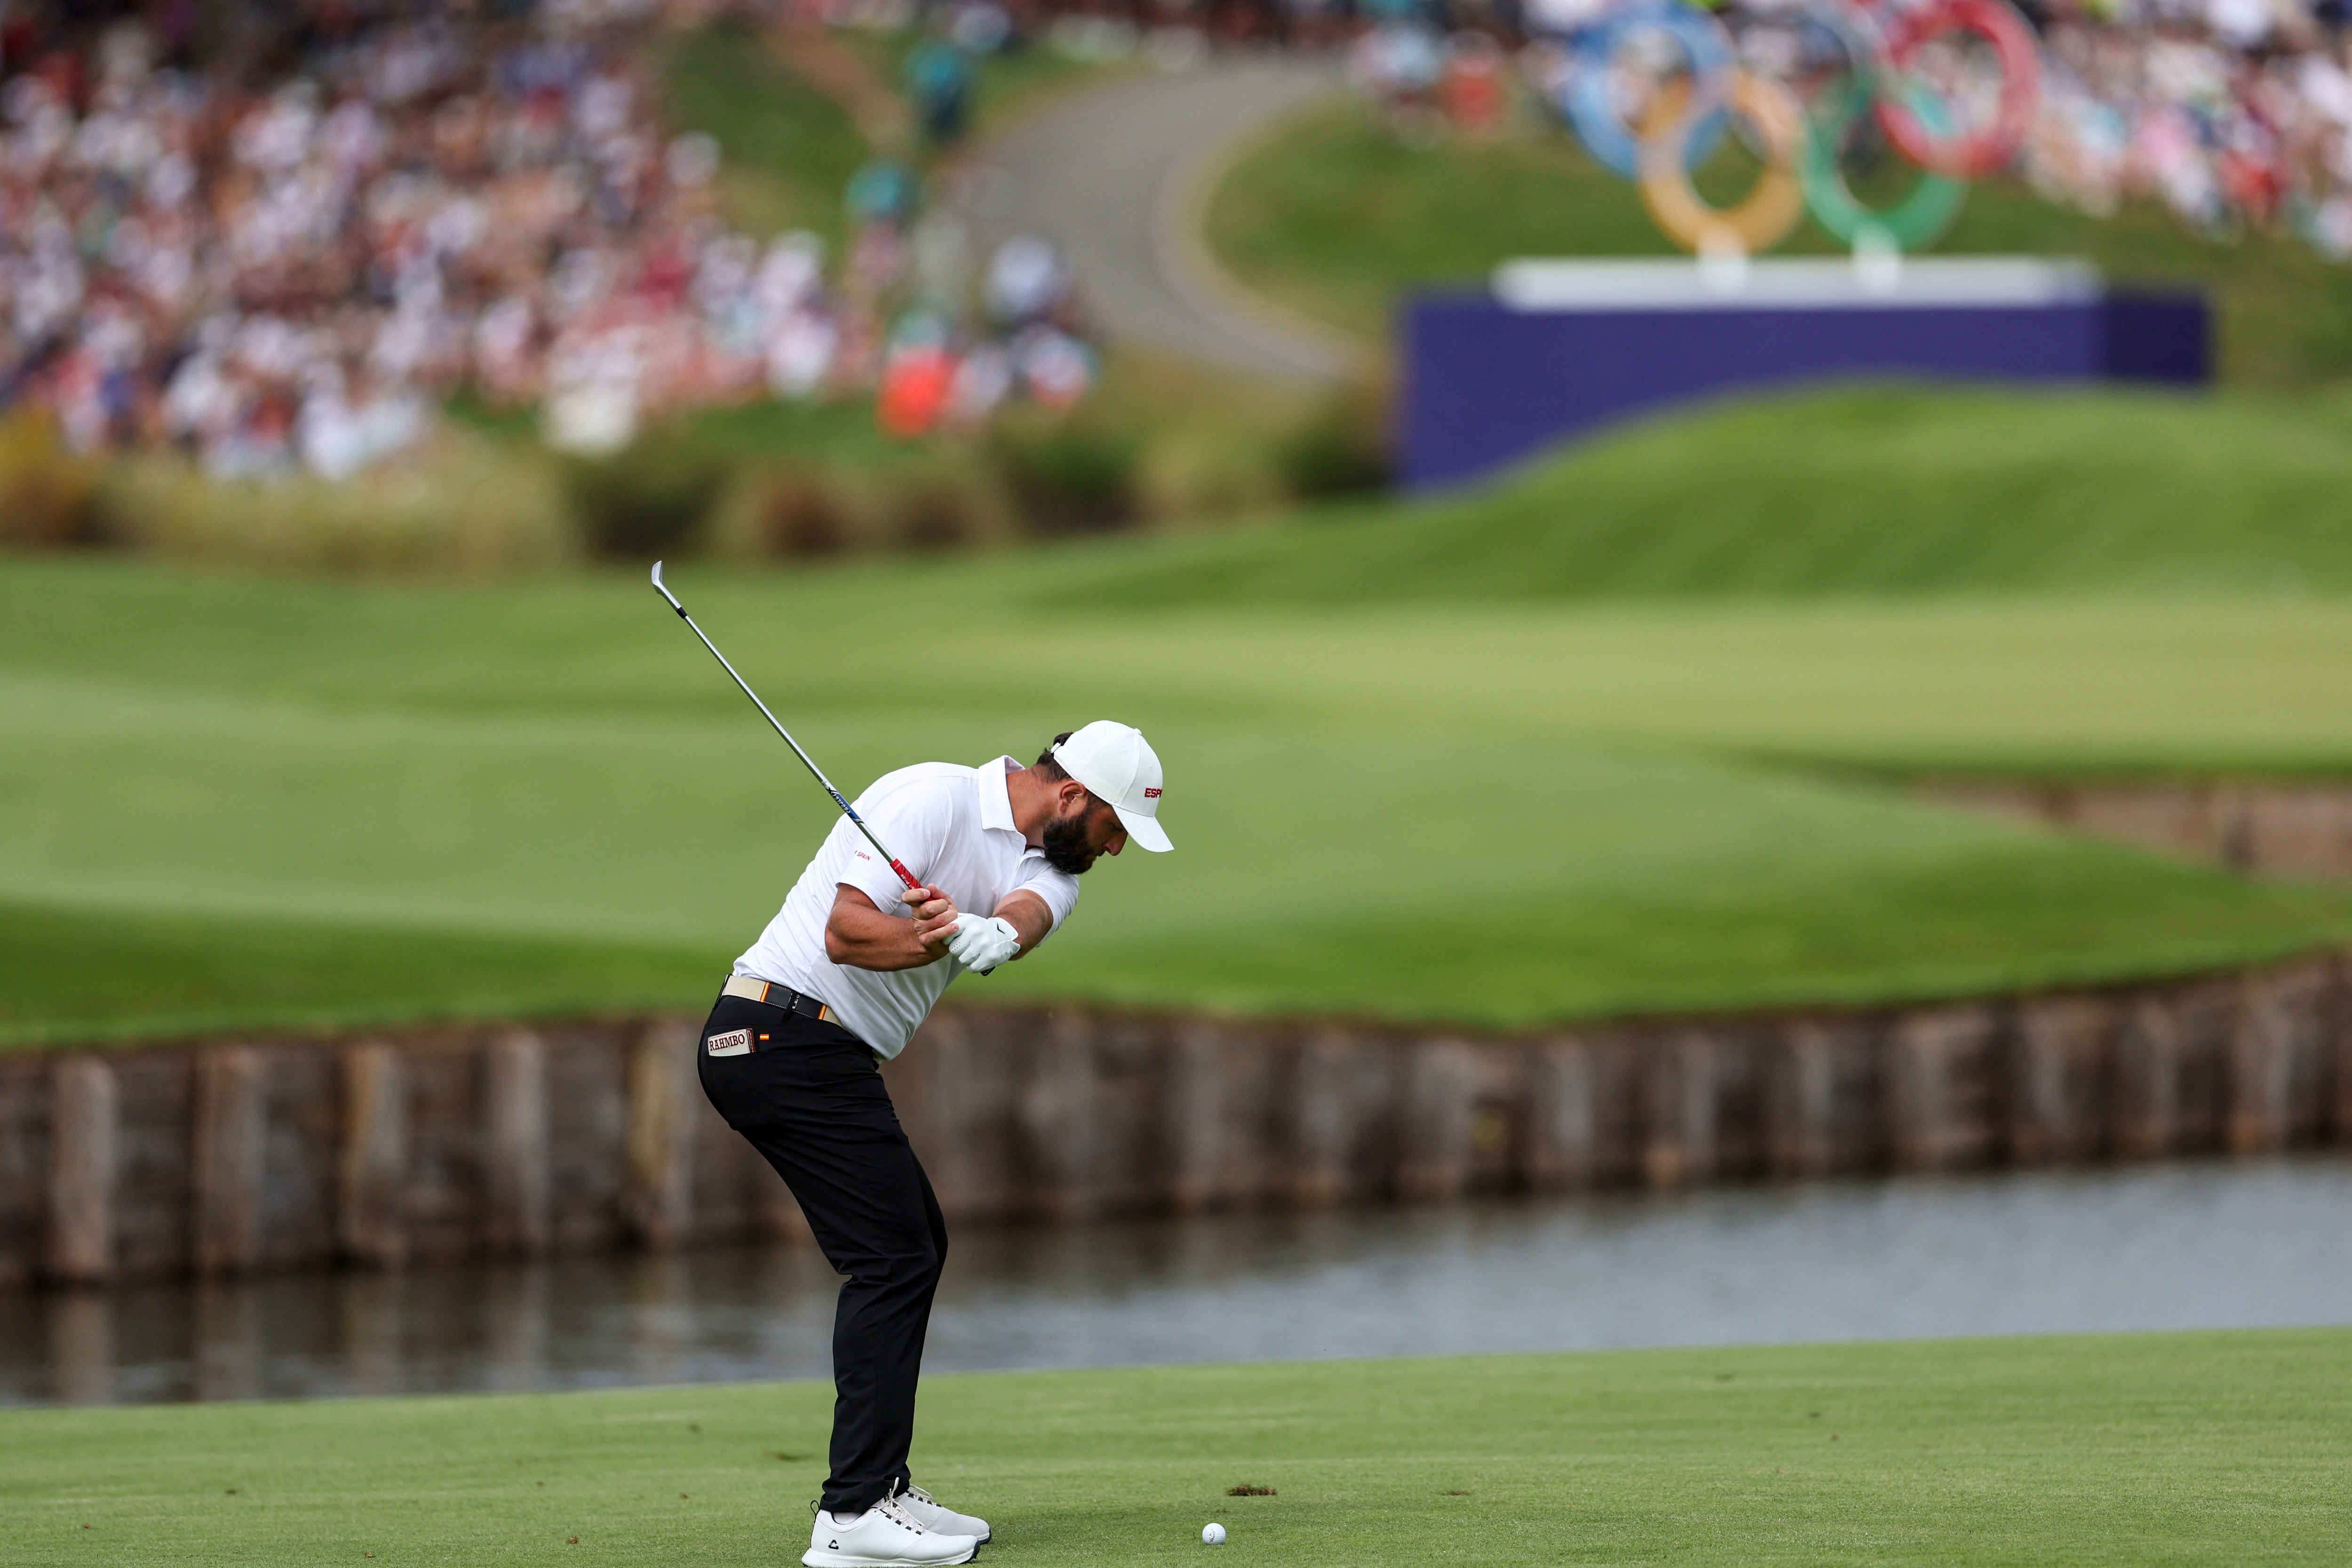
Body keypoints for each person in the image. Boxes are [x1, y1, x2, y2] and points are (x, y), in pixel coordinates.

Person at [696, 721, 1173, 1568]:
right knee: (893, 1257)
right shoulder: (931, 796)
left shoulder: (1053, 866)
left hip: (821, 1051)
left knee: (917, 1244)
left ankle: (881, 1486)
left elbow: (1027, 913)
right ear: (1072, 796)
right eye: (1113, 828)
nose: (1115, 848)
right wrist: (932, 935)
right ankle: (850, 1519)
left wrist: (992, 933)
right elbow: (847, 933)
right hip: (775, 1033)